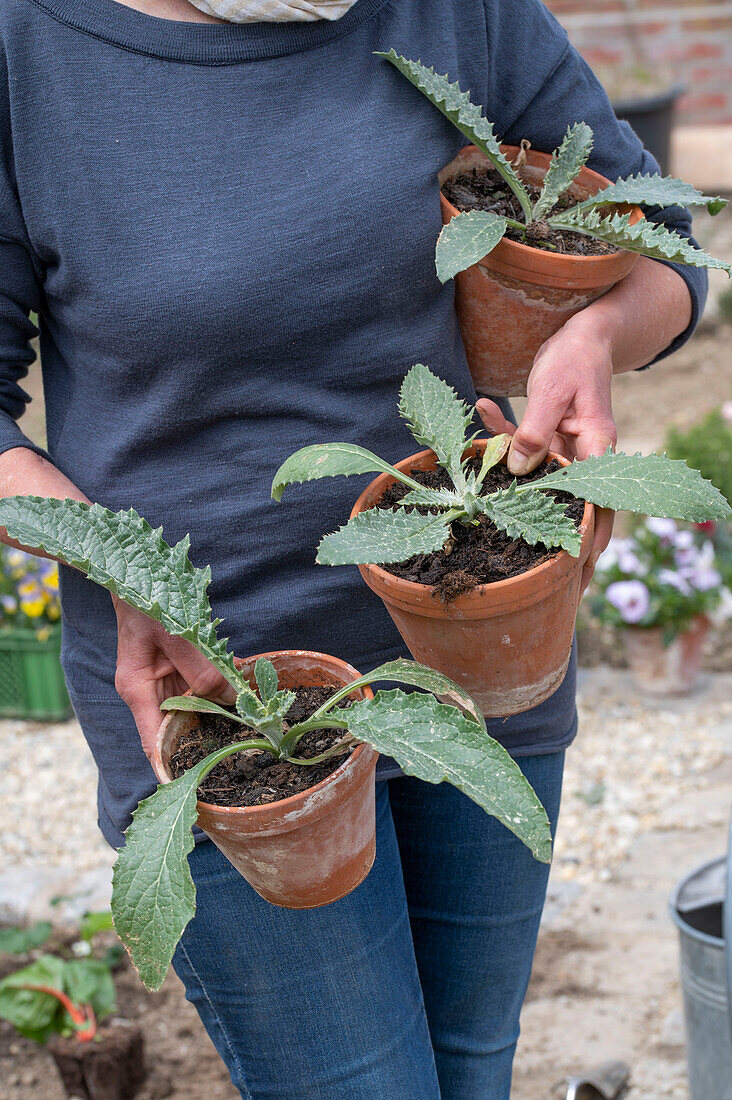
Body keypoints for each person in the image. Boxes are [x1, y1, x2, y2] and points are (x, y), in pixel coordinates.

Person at [0, 0, 704, 1096]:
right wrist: (101, 557)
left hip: (473, 621)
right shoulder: (29, 47)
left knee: (474, 1071)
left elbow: (668, 257)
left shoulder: (456, 12)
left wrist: (594, 334)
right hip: (225, 693)